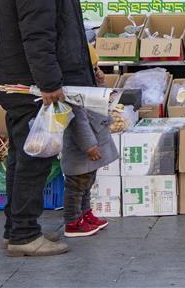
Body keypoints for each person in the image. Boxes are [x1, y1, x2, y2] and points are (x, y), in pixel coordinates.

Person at [0, 0, 97, 257]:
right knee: (35, 158)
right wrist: (49, 82)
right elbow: (37, 29)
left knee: (24, 155)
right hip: (32, 83)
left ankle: (15, 230)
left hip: (21, 77)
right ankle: (24, 235)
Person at [60, 49, 118, 238]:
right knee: (76, 186)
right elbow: (78, 122)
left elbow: (100, 99)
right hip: (81, 150)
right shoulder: (73, 93)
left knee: (86, 184)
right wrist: (89, 146)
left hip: (92, 142)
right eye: (93, 69)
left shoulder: (87, 87)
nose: (97, 72)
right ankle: (72, 221)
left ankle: (84, 214)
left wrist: (100, 82)